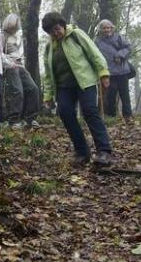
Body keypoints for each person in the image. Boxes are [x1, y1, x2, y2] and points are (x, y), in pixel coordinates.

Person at [41, 11, 114, 165]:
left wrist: (103, 73)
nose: (56, 33)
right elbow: (48, 74)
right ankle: (82, 153)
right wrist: (48, 95)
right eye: (51, 31)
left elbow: (94, 53)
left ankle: (104, 151)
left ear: (63, 25)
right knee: (66, 114)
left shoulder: (76, 35)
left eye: (57, 29)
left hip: (85, 81)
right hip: (63, 87)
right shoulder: (49, 48)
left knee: (89, 112)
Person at [1, 13, 40, 129]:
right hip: (10, 66)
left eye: (15, 27)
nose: (13, 29)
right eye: (12, 26)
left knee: (33, 88)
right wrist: (8, 63)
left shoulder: (15, 37)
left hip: (20, 66)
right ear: (7, 24)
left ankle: (30, 118)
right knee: (17, 91)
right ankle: (13, 120)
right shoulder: (1, 36)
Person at [94, 19, 133, 121]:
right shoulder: (97, 41)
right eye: (104, 28)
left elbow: (128, 47)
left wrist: (120, 55)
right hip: (108, 72)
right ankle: (111, 117)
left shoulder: (118, 37)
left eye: (108, 27)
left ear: (112, 28)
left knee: (125, 94)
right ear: (101, 29)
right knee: (110, 95)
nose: (107, 30)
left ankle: (128, 116)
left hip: (122, 71)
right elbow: (94, 54)